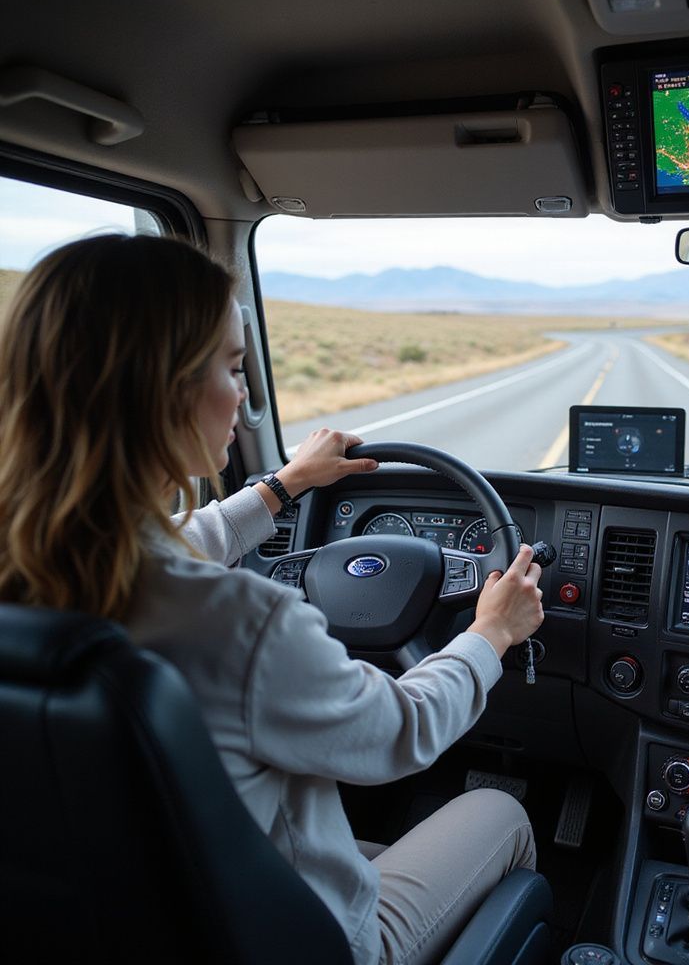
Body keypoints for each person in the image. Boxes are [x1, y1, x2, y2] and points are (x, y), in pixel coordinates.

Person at [0, 233, 545, 965]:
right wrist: (490, 634)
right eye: (231, 368)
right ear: (160, 390)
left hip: (96, 919)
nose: (245, 396)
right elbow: (403, 730)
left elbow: (163, 547)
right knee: (499, 812)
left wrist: (283, 487)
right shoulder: (240, 623)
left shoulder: (43, 565)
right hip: (302, 942)